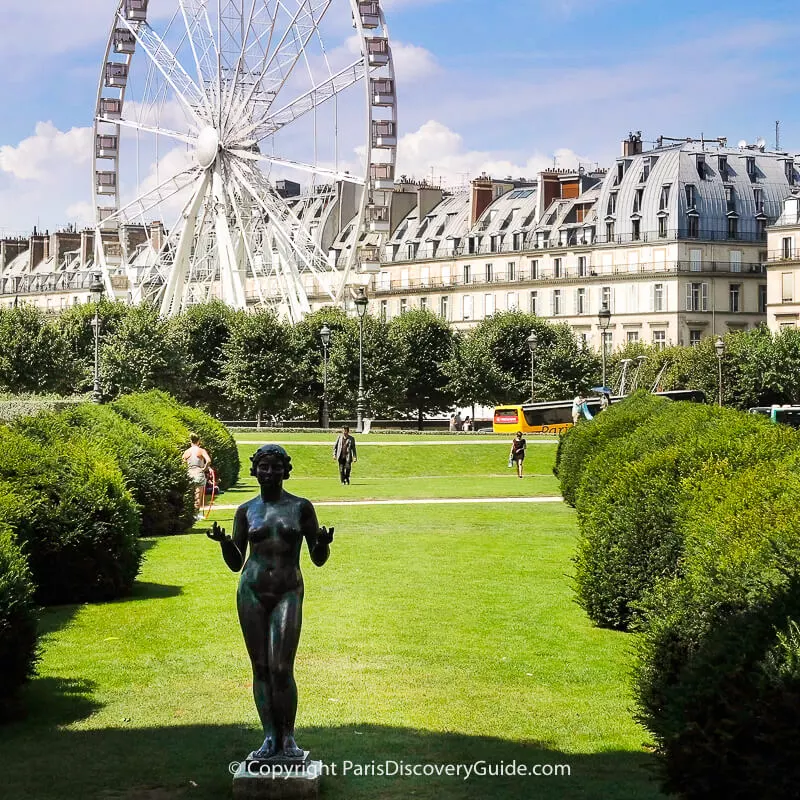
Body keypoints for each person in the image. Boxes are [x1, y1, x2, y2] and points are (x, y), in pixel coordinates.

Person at [207, 444, 333, 762]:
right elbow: (236, 562)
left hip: (288, 592)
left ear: (285, 471)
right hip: (251, 590)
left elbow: (318, 559)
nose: (269, 472)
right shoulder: (246, 511)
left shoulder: (301, 507)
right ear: (256, 470)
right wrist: (224, 544)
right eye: (264, 467)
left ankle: (288, 738)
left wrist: (324, 544)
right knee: (261, 667)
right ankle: (269, 737)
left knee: (281, 667)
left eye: (276, 467)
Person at [182, 434, 212, 517]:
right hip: (198, 473)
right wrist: (204, 469)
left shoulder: (186, 452)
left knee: (189, 496)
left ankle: (188, 515)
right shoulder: (201, 450)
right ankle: (195, 515)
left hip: (189, 473)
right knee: (197, 496)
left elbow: (183, 463)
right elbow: (208, 460)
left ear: (190, 441)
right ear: (199, 441)